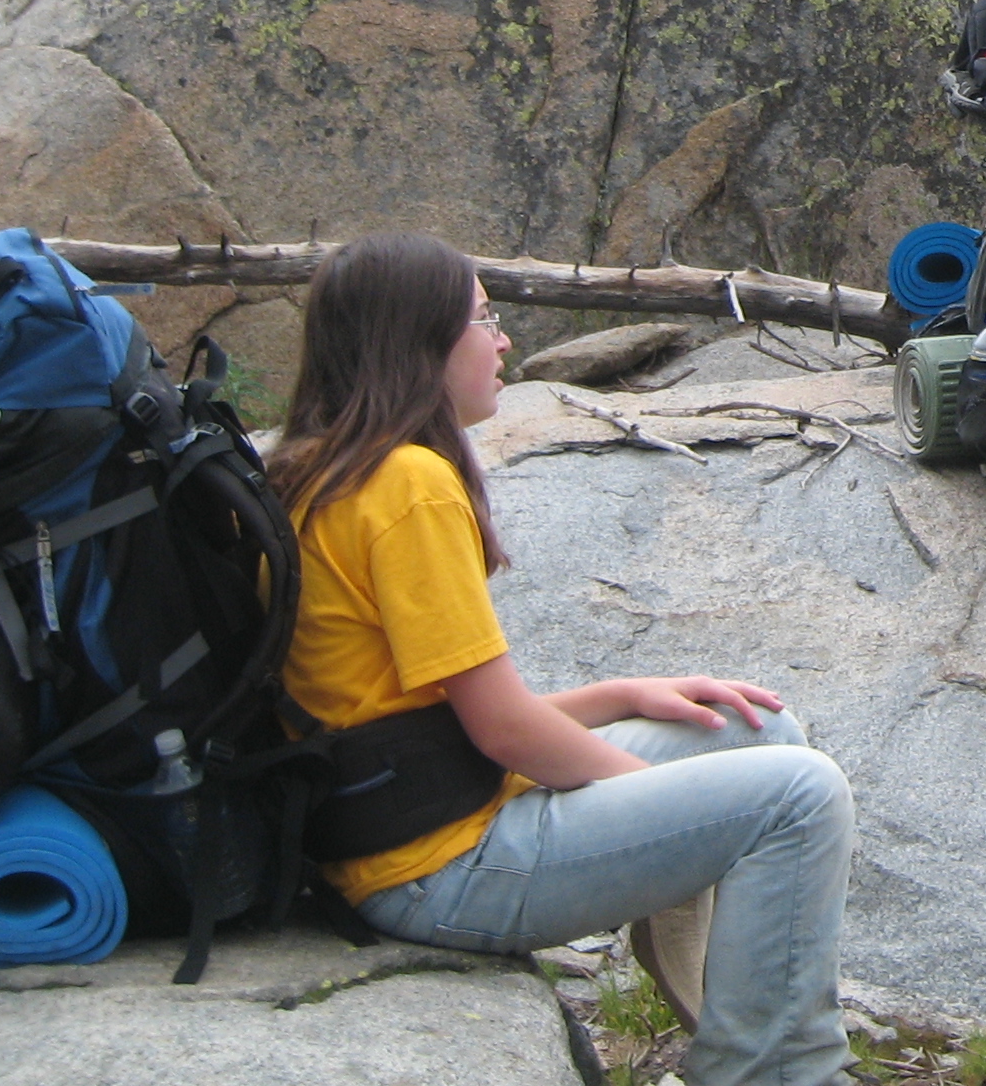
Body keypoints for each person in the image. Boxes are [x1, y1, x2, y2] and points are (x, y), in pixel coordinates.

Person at [268, 231, 854, 1086]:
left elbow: (425, 712)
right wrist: (664, 808)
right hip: (434, 869)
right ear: (418, 345)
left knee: (753, 728)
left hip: (402, 825)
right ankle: (775, 1072)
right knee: (801, 795)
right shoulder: (406, 487)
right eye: (483, 318)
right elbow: (504, 732)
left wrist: (622, 693)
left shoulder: (314, 470)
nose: (503, 340)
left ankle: (742, 1021)